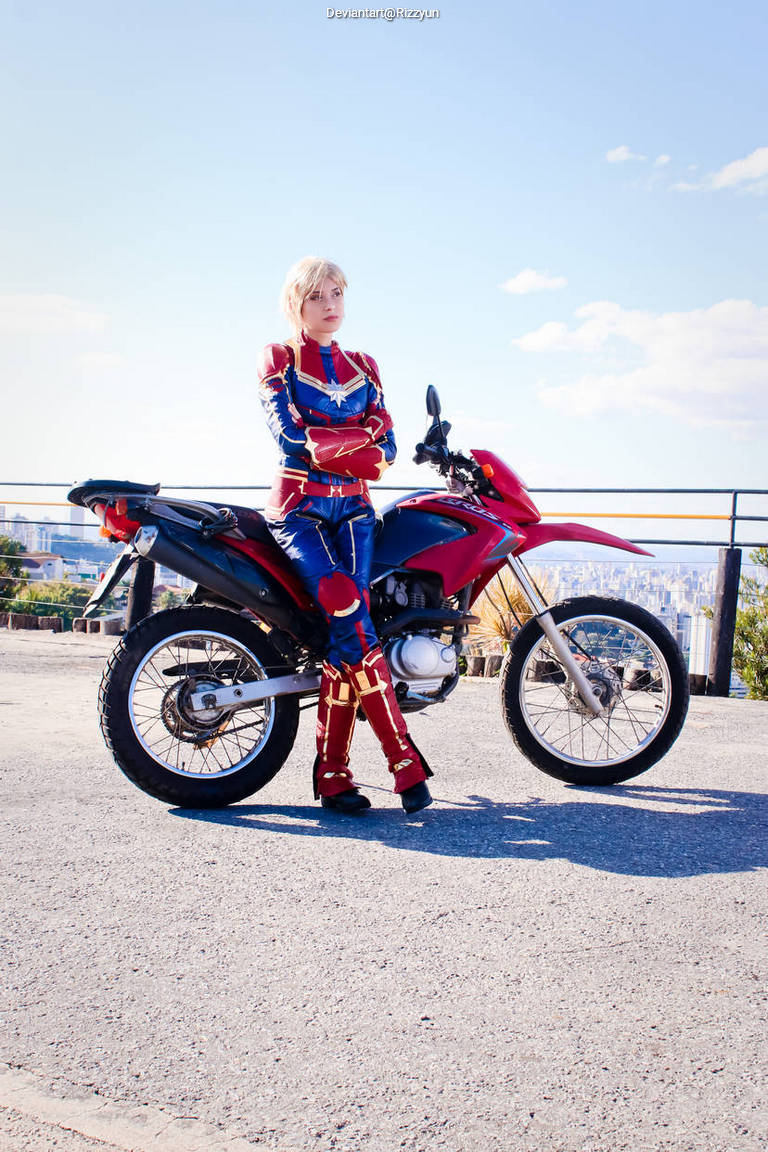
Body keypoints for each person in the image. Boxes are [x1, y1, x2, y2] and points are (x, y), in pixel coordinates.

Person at [258, 256, 433, 815]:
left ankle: (333, 776)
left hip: (355, 513)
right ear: (296, 304)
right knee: (347, 615)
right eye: (317, 296)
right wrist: (353, 444)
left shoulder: (365, 363)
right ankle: (403, 762)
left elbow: (387, 448)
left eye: (337, 293)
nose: (330, 305)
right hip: (298, 511)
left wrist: (338, 443)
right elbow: (291, 438)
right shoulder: (278, 358)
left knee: (346, 636)